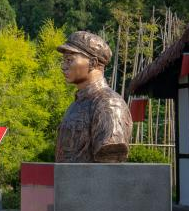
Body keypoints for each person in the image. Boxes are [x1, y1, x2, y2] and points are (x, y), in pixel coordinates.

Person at [55, 31, 133, 163]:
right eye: (64, 60)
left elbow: (109, 163)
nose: (63, 66)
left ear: (92, 62)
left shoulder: (109, 104)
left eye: (69, 60)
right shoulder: (77, 104)